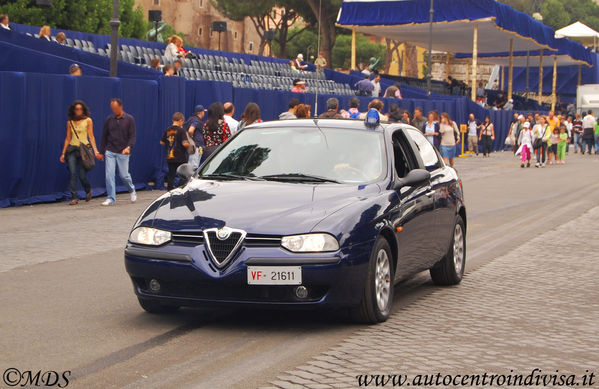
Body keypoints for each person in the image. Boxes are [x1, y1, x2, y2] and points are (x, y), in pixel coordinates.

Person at [59, 101, 100, 205]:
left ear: (83, 110)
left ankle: (88, 190)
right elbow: (68, 138)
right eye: (77, 109)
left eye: (80, 109)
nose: (78, 111)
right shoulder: (70, 122)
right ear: (73, 110)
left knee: (82, 175)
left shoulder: (88, 120)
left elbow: (91, 136)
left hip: (83, 150)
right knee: (72, 173)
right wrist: (63, 153)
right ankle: (74, 197)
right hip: (72, 149)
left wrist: (95, 151)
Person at [98, 98, 136, 206]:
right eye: (112, 108)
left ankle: (132, 189)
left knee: (124, 175)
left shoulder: (129, 119)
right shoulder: (109, 119)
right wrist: (101, 152)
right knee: (109, 175)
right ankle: (111, 198)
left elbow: (132, 136)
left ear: (121, 106)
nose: (114, 110)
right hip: (110, 150)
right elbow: (104, 136)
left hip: (123, 151)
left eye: (115, 108)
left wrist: (129, 147)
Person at [160, 112, 190, 190]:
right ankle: (180, 189)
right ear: (180, 120)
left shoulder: (167, 130)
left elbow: (162, 142)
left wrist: (169, 143)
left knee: (171, 175)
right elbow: (184, 143)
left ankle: (169, 190)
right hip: (180, 156)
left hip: (170, 156)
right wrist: (189, 144)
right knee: (183, 175)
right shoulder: (181, 130)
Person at [184, 105, 206, 169]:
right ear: (201, 112)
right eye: (203, 112)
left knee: (193, 165)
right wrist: (191, 139)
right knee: (193, 166)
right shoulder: (196, 120)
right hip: (195, 147)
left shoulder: (191, 119)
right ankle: (189, 179)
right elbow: (191, 130)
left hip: (195, 147)